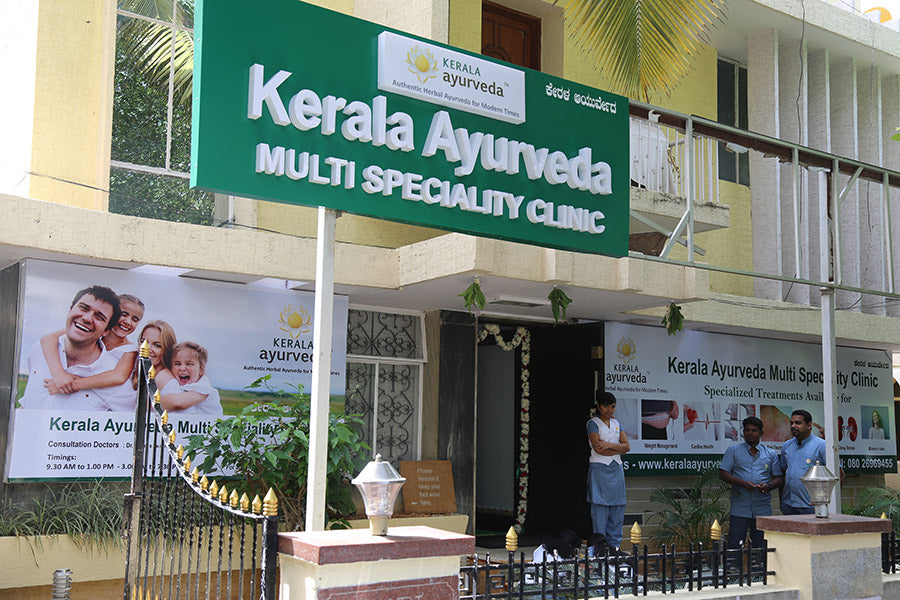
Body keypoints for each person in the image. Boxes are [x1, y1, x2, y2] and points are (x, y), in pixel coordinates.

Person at [19, 286, 121, 410]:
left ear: (106, 331)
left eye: (99, 317)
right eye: (84, 308)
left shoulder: (115, 376)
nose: (87, 318)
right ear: (70, 310)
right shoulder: (39, 349)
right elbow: (28, 404)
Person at [39, 293, 145, 412]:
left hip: (113, 406)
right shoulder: (91, 332)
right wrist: (59, 374)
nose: (128, 321)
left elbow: (118, 377)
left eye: (135, 319)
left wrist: (71, 384)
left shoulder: (129, 350)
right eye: (123, 314)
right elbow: (48, 339)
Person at [719, 416, 783, 548]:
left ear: (761, 433)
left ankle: (758, 568)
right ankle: (734, 569)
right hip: (740, 508)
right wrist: (743, 484)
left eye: (754, 430)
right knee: (735, 543)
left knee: (761, 544)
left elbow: (779, 477)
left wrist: (768, 486)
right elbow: (723, 474)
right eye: (747, 430)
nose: (750, 433)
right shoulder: (733, 451)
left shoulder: (770, 454)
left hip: (762, 508)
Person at [586, 391, 630, 550]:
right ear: (599, 406)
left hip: (616, 468)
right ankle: (600, 547)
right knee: (600, 508)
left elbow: (627, 446)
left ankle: (615, 547)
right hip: (599, 468)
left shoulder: (618, 424)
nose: (609, 410)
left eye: (612, 407)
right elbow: (598, 449)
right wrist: (619, 448)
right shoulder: (593, 423)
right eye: (605, 406)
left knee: (618, 507)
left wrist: (611, 445)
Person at [779, 409, 841, 515]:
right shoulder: (787, 446)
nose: (793, 426)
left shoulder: (822, 446)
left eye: (798, 423)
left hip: (811, 506)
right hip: (789, 505)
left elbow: (839, 474)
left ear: (809, 425)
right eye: (792, 423)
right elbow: (783, 473)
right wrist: (782, 500)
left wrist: (827, 501)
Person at [158, 342, 223, 415]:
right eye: (177, 364)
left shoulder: (204, 388)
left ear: (201, 369)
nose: (182, 368)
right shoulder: (178, 385)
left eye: (189, 364)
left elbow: (178, 402)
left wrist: (154, 405)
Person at [136, 320, 177, 391]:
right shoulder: (134, 366)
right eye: (143, 341)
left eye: (157, 345)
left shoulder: (166, 382)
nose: (147, 348)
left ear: (167, 350)